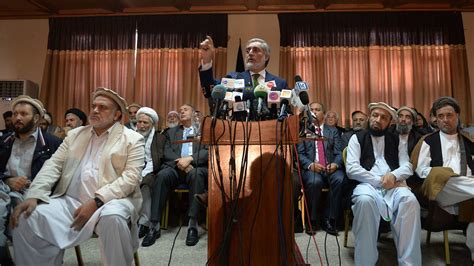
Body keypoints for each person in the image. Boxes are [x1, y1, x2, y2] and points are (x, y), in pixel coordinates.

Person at [10, 88, 145, 265]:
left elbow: (131, 178)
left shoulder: (132, 139)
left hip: (112, 201)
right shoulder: (75, 135)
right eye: (93, 106)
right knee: (27, 217)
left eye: (102, 107)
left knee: (113, 218)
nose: (95, 110)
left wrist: (97, 201)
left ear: (117, 115)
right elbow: (53, 165)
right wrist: (35, 194)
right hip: (70, 201)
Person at [345, 102, 421, 266]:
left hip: (393, 185)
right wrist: (381, 180)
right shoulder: (356, 138)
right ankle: (366, 262)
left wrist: (393, 176)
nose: (377, 120)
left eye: (383, 117)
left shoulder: (397, 139)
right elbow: (352, 169)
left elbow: (406, 165)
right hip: (366, 184)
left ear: (389, 122)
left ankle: (409, 263)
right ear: (369, 117)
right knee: (364, 201)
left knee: (410, 201)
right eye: (375, 115)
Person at [0, 96, 61, 265]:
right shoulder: (3, 142)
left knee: (28, 215)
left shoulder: (53, 144)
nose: (17, 118)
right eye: (15, 113)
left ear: (36, 118)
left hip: (38, 195)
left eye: (23, 114)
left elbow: (61, 177)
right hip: (5, 190)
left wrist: (34, 187)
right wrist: (8, 179)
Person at [414, 96, 474, 263]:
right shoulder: (428, 141)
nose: (445, 120)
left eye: (449, 115)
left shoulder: (469, 141)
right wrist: (445, 174)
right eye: (440, 116)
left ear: (457, 115)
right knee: (441, 176)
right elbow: (422, 170)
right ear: (435, 119)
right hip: (442, 190)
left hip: (467, 190)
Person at [142, 104, 208, 247]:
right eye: (180, 110)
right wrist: (181, 162)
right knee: (162, 176)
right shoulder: (171, 132)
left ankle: (192, 224)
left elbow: (208, 151)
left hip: (195, 167)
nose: (182, 111)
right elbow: (166, 152)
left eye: (186, 109)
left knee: (196, 175)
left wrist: (190, 159)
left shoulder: (204, 130)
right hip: (174, 167)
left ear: (194, 113)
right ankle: (154, 225)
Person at [199, 36, 288, 118]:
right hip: (239, 130)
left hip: (270, 131)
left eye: (256, 50)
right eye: (247, 50)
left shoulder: (280, 83)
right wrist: (206, 61)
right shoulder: (234, 78)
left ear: (266, 56)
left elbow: (286, 113)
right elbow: (209, 91)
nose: (250, 53)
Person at [297, 102, 344, 235]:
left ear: (323, 114)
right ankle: (312, 220)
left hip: (330, 167)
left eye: (317, 110)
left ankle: (329, 219)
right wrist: (311, 165)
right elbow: (300, 154)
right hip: (312, 168)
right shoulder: (304, 131)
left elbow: (339, 152)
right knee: (314, 182)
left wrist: (335, 164)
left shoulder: (332, 130)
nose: (314, 112)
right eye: (311, 110)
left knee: (340, 179)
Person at [134, 107, 166, 238]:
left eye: (145, 123)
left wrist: (144, 172)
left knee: (146, 183)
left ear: (152, 124)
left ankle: (144, 222)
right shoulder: (130, 136)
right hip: (132, 169)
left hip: (152, 170)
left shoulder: (160, 138)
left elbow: (158, 159)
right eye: (139, 122)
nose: (141, 126)